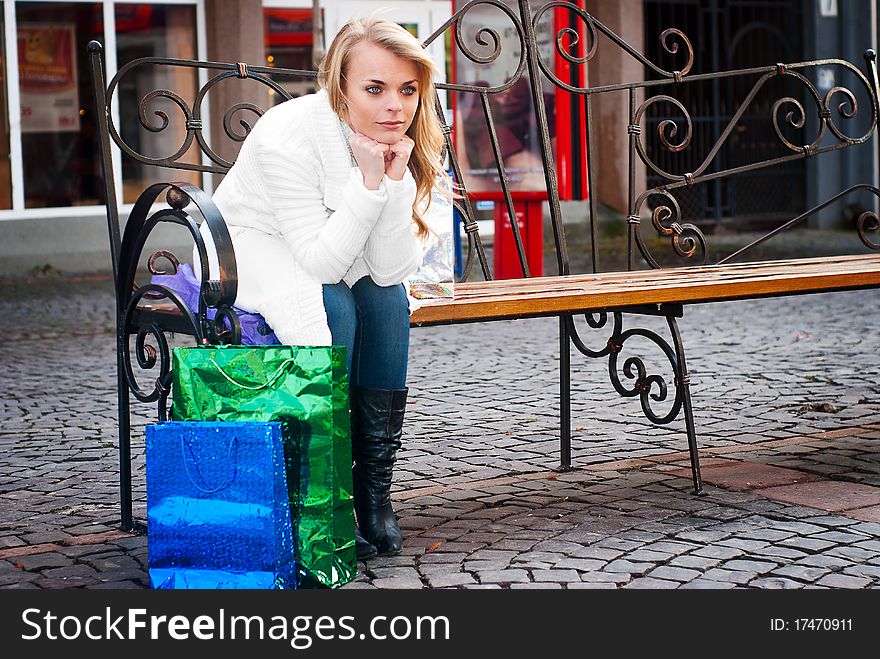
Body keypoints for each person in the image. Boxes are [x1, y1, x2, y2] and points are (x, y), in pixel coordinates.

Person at [202, 17, 451, 560]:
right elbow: (318, 261)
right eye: (375, 88)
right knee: (332, 300)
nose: (396, 106)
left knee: (385, 299)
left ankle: (374, 494)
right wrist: (369, 184)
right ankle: (330, 495)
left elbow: (388, 271)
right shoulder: (287, 136)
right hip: (254, 241)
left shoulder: (396, 143)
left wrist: (390, 180)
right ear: (340, 88)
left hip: (331, 238)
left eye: (408, 90)